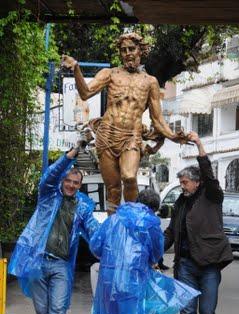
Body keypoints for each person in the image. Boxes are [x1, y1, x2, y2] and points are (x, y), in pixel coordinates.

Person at [89, 189, 200, 314]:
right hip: (132, 280)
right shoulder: (151, 224)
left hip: (107, 279)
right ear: (154, 208)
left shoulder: (114, 218)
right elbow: (157, 253)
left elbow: (95, 246)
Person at [61, 33, 185, 215]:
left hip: (131, 137)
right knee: (112, 190)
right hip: (107, 135)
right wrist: (76, 69)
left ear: (140, 51)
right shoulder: (110, 74)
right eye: (124, 50)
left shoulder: (150, 82)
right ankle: (114, 227)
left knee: (129, 176)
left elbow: (157, 119)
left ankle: (130, 218)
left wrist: (173, 136)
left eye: (132, 49)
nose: (128, 53)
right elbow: (85, 93)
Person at [8, 146, 99, 314]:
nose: (70, 185)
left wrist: (114, 238)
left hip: (60, 265)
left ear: (80, 186)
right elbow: (49, 177)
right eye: (67, 180)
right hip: (36, 262)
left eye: (75, 183)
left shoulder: (83, 206)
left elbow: (94, 230)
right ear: (62, 180)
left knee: (58, 308)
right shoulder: (48, 195)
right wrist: (68, 156)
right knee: (43, 311)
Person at [164, 132, 233, 314]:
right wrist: (153, 250)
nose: (182, 186)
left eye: (185, 182)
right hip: (185, 267)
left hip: (209, 265)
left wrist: (199, 144)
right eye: (181, 182)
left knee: (207, 313)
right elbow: (171, 233)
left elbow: (209, 174)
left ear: (197, 182)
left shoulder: (212, 195)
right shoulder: (180, 204)